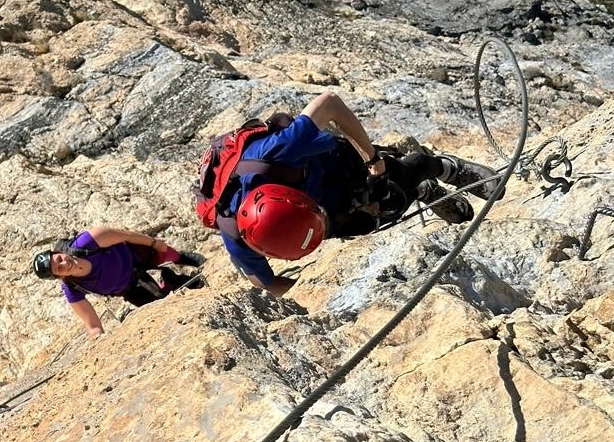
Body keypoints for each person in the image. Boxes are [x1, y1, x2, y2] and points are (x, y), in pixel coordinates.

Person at [195, 91, 501, 296]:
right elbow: (265, 282)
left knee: (392, 183)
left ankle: (444, 168)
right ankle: (423, 192)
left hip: (329, 165)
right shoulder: (235, 231)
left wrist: (372, 161)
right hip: (310, 203)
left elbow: (329, 103)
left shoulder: (279, 152)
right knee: (375, 218)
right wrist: (312, 295)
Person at [31, 226, 206, 338]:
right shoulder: (72, 288)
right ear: (59, 277)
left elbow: (125, 235)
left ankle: (181, 257)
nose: (64, 263)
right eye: (59, 268)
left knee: (164, 254)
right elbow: (92, 324)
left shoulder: (85, 242)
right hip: (130, 288)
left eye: (59, 258)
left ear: (58, 252)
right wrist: (99, 339)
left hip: (136, 256)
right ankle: (170, 280)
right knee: (161, 303)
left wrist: (154, 243)